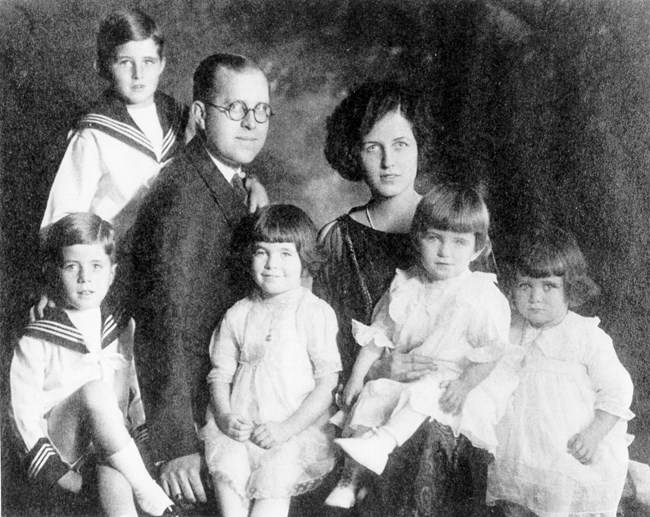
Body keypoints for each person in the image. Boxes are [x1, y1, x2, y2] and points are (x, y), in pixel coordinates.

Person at [128, 53, 272, 506]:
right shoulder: (180, 200)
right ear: (200, 115)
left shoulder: (225, 179)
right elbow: (161, 324)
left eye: (262, 110)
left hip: (228, 402)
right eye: (236, 109)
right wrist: (176, 445)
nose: (251, 123)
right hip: (190, 415)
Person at [325, 183, 517, 508]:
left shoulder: (480, 294)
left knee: (427, 391)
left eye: (459, 242)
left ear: (476, 248)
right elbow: (378, 336)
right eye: (434, 238)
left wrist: (465, 384)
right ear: (418, 238)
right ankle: (350, 478)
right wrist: (358, 378)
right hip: (405, 375)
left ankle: (382, 443)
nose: (445, 251)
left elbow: (492, 351)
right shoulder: (407, 285)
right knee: (371, 397)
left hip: (454, 379)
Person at [9, 213, 178, 517]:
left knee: (116, 481)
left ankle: (139, 487)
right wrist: (60, 474)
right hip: (64, 448)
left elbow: (136, 393)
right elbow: (21, 416)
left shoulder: (122, 326)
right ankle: (149, 492)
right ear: (54, 272)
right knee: (96, 392)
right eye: (72, 266)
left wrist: (147, 449)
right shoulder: (38, 337)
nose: (85, 278)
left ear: (112, 273)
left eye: (96, 266)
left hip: (109, 449)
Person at [203, 204, 342, 517]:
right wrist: (224, 416)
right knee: (230, 503)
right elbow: (219, 375)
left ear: (304, 258)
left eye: (285, 254)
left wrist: (286, 429)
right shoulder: (238, 313)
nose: (271, 264)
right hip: (237, 432)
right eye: (261, 252)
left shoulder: (312, 312)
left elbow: (327, 382)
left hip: (290, 434)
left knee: (269, 506)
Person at [487, 227, 634, 517]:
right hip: (520, 448)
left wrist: (594, 435)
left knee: (563, 501)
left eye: (548, 286)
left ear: (570, 287)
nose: (535, 298)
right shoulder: (510, 329)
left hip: (568, 448)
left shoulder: (585, 336)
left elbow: (618, 390)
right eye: (525, 286)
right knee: (517, 503)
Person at [40, 9, 187, 244]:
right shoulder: (93, 134)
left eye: (148, 61)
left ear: (162, 65)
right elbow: (61, 220)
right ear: (103, 67)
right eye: (125, 62)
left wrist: (250, 183)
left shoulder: (182, 118)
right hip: (117, 262)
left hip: (175, 255)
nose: (138, 74)